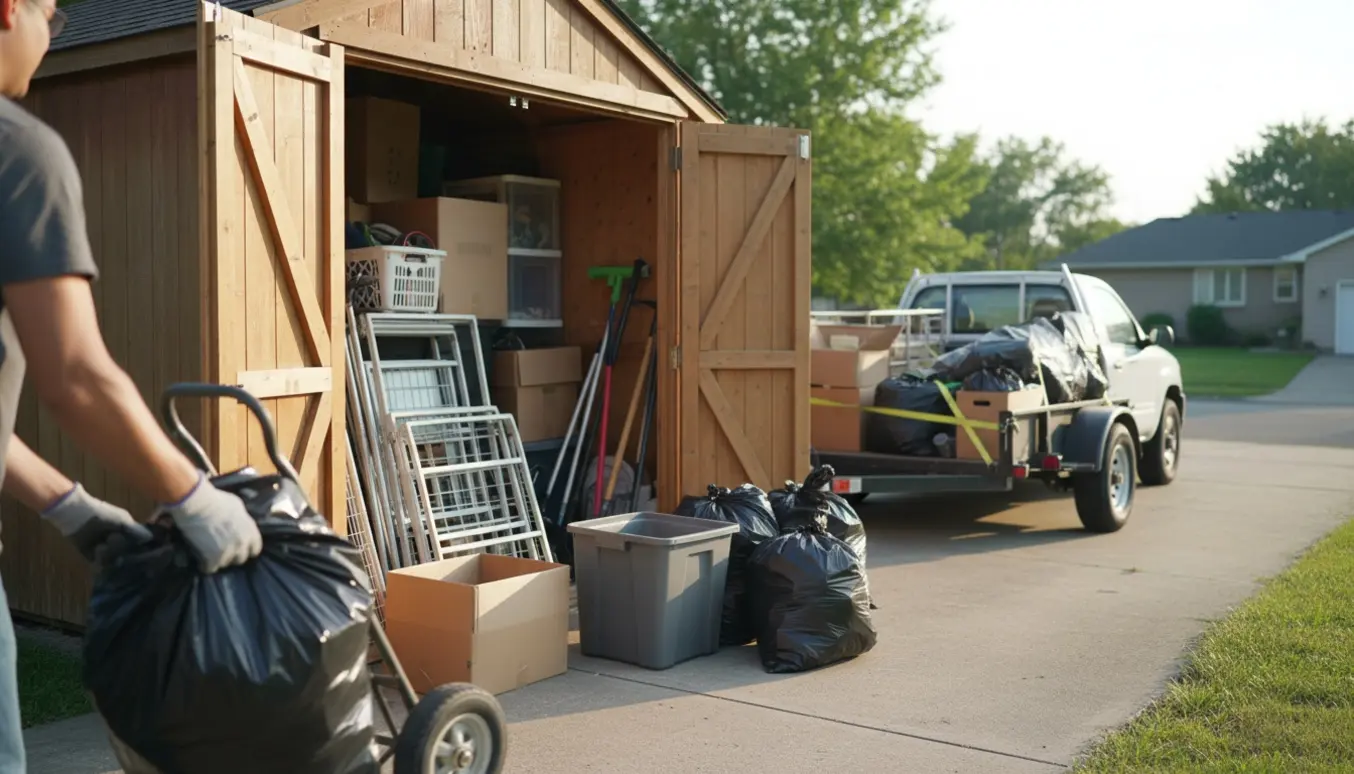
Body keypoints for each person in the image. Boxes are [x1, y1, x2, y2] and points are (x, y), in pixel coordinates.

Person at [0, 0, 263, 768]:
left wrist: (69, 504)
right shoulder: (18, 152)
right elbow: (75, 374)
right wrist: (193, 495)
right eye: (54, 15)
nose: (52, 37)